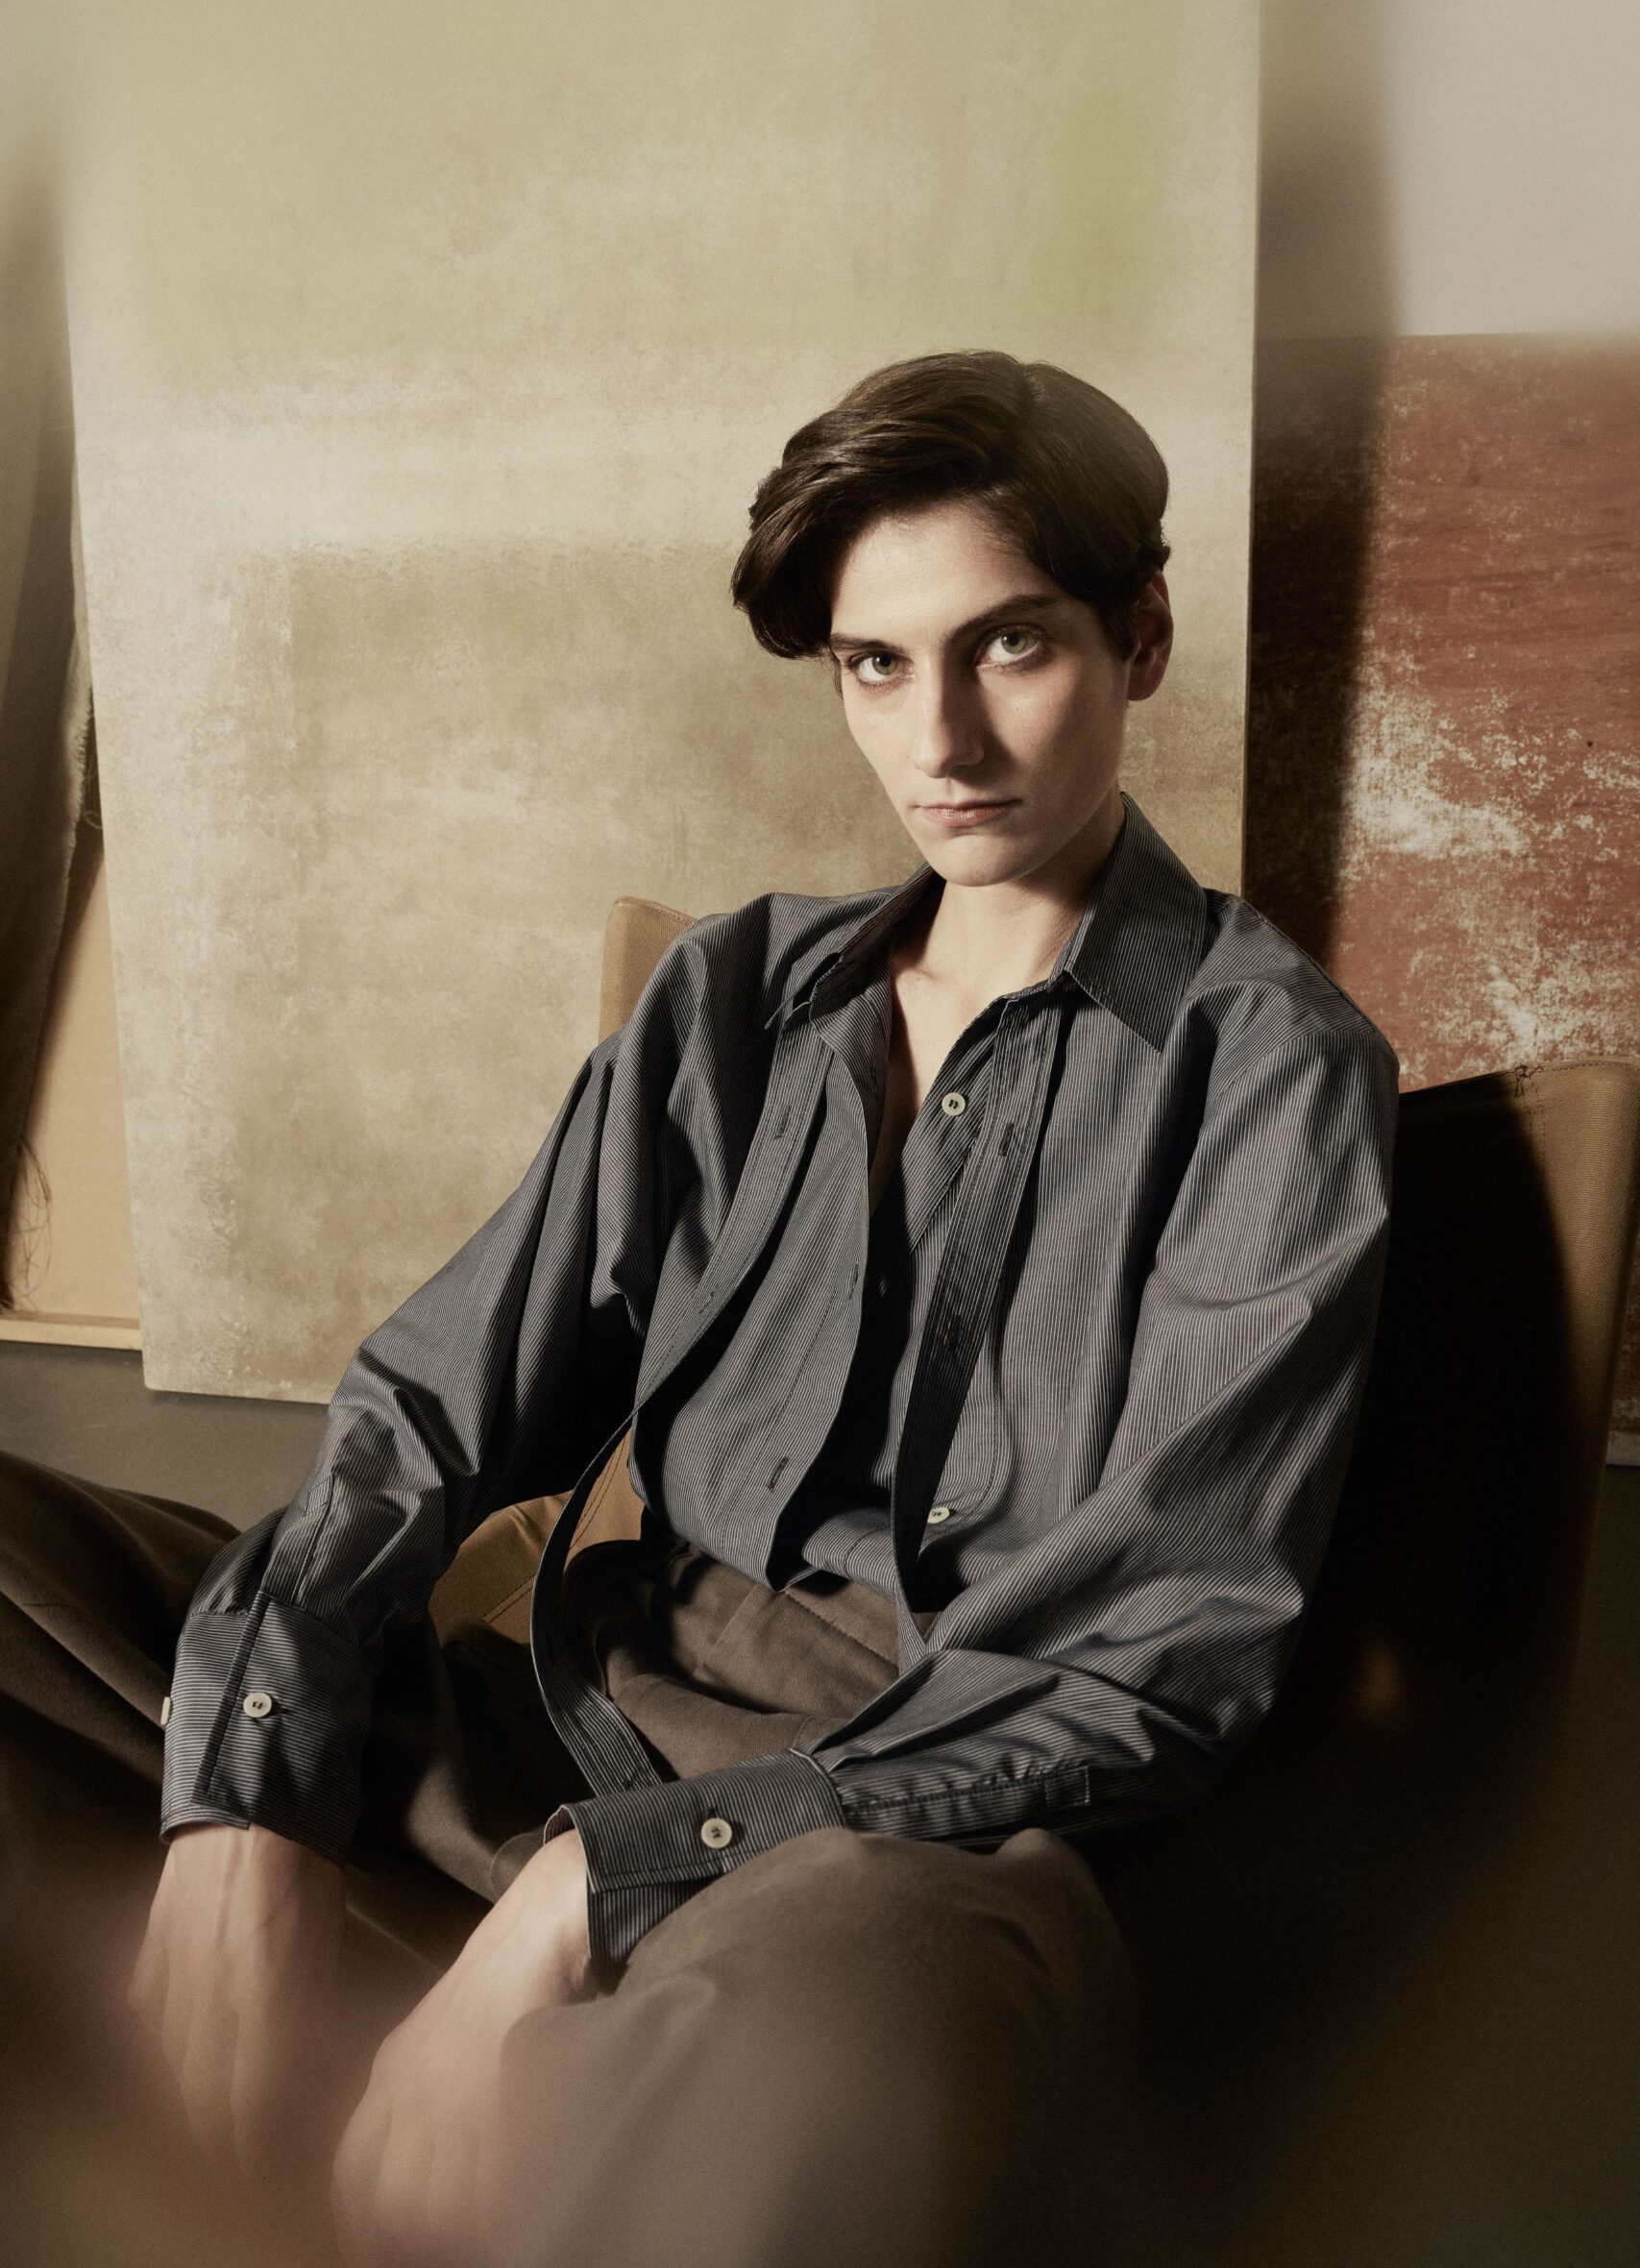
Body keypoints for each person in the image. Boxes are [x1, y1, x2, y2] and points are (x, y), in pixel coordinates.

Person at [0, 351, 1400, 2268]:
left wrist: (595, 1884)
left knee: (842, 2042)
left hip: (921, 1823)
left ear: (1138, 637)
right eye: (875, 664)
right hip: (573, 1708)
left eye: (1007, 645)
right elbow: (426, 1414)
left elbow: (1145, 1664)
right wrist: (248, 1777)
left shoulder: (1273, 1073)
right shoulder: (733, 1001)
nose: (941, 738)